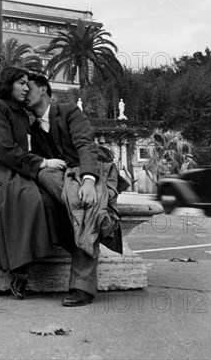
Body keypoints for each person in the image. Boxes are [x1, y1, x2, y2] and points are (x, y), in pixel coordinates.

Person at [25, 74, 121, 307]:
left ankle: (82, 286)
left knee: (82, 208)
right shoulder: (31, 126)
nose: (24, 93)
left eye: (28, 88)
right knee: (45, 174)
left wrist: (88, 181)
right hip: (58, 180)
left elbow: (85, 145)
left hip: (86, 175)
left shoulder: (69, 111)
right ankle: (83, 284)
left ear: (44, 90)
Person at [0, 66, 58, 300]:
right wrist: (43, 163)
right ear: (7, 84)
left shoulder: (21, 113)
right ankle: (19, 269)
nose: (26, 87)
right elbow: (4, 149)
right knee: (28, 198)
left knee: (48, 200)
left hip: (16, 168)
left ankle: (25, 262)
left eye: (27, 83)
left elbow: (25, 147)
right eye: (21, 82)